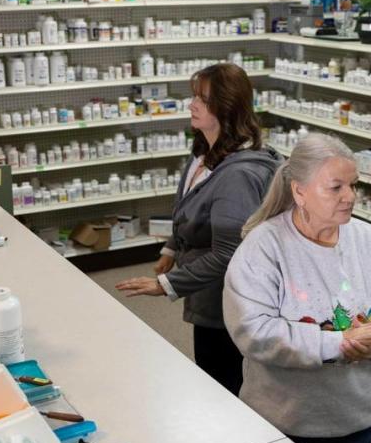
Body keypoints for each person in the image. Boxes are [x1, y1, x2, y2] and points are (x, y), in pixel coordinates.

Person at [223, 132, 371, 443]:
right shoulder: (264, 248)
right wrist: (337, 344)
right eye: (336, 187)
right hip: (283, 421)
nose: (350, 197)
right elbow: (254, 331)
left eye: (354, 185)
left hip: (354, 421)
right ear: (299, 191)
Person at [115, 63, 280, 395]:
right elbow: (191, 204)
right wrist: (172, 249)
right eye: (194, 97)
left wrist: (166, 284)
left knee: (223, 382)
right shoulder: (205, 152)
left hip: (224, 302)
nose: (191, 105)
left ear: (226, 108)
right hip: (204, 292)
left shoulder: (237, 175)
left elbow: (228, 254)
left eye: (201, 99)